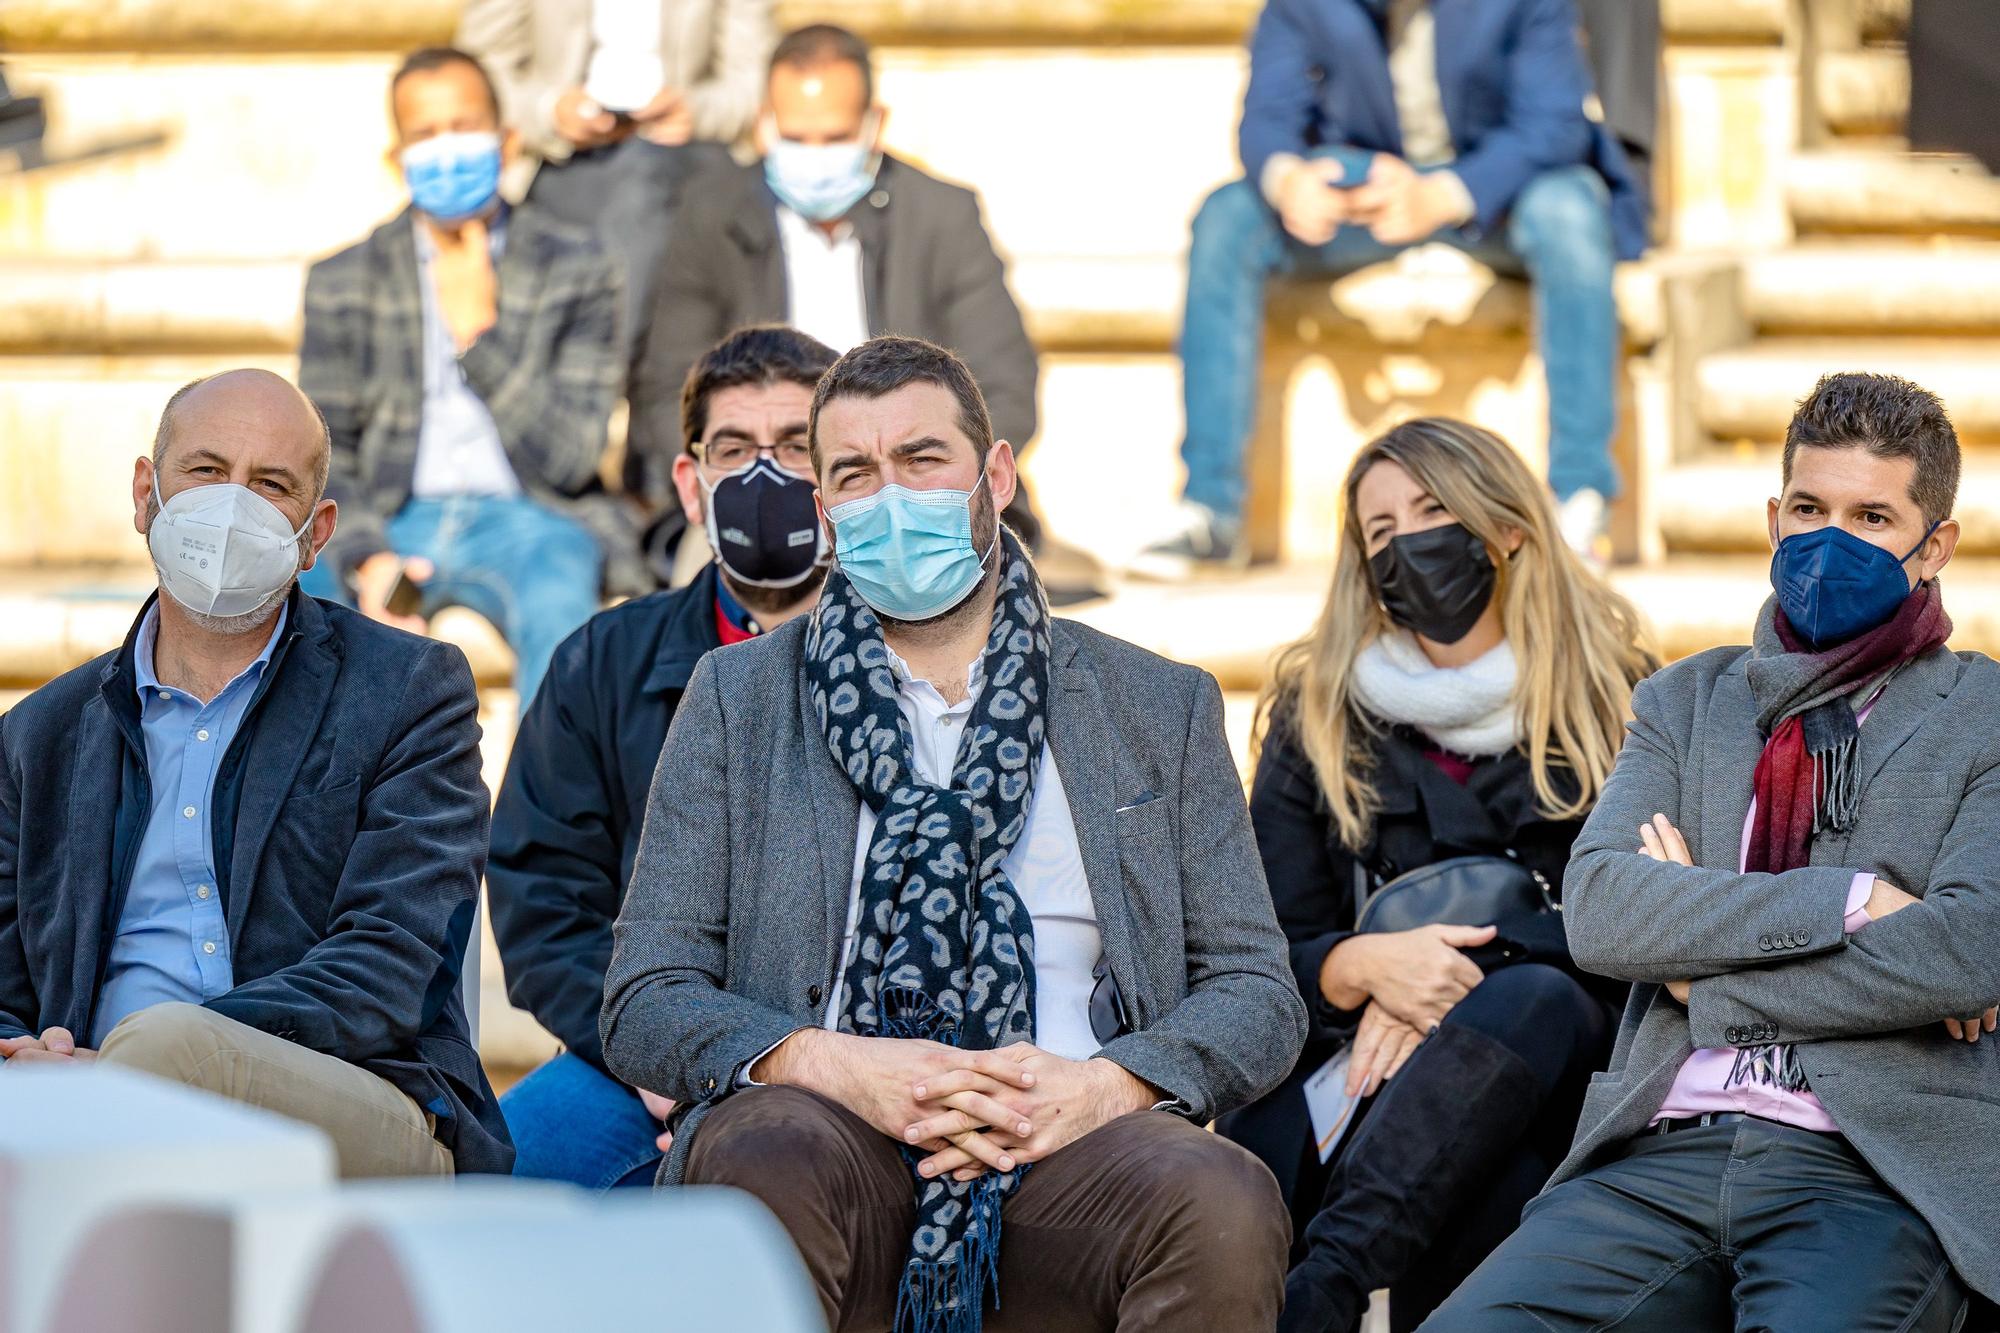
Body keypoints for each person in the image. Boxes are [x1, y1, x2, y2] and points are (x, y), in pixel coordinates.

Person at [600, 335, 1307, 1332]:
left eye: (921, 459)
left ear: (996, 474)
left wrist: (1107, 1085)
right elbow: (645, 996)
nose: (890, 496)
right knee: (761, 1152)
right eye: (853, 472)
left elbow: (1254, 991)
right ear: (824, 510)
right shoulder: (741, 696)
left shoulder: (1156, 704)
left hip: (1072, 1142)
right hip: (829, 1137)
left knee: (1218, 1195)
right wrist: (826, 1062)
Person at [1426, 372, 1999, 1329]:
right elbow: (1604, 909)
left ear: (1933, 544)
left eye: (1872, 517)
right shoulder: (1684, 702)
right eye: (1810, 508)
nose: (1830, 541)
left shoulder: (1983, 713)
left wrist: (1708, 979)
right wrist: (1852, 898)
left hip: (1875, 1167)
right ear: (1774, 517)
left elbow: (1968, 948)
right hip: (1659, 1149)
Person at [0, 369, 509, 1178]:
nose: (231, 504)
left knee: (173, 1046)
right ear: (145, 493)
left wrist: (140, 1072)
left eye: (271, 484)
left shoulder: (408, 691)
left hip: (351, 1093)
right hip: (82, 1084)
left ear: (316, 533)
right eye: (205, 470)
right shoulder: (40, 734)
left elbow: (391, 959)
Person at [1217, 418, 1654, 1331]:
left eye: (1432, 510)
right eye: (1380, 531)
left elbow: (1647, 915)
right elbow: (1256, 947)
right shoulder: (1317, 711)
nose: (1409, 542)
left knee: (1535, 1005)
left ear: (1507, 529)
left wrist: (1453, 988)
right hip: (1353, 1070)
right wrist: (1367, 970)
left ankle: (1322, 1290)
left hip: (1562, 1066)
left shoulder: (1624, 699)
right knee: (1490, 1152)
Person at [490, 325, 838, 1190]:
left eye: (798, 447)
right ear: (692, 483)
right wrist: (652, 1051)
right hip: (644, 1064)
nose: (767, 474)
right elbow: (544, 901)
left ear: (844, 477)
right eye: (735, 449)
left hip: (851, 1060)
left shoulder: (920, 660)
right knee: (497, 1170)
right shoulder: (601, 665)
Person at [1134, 0, 1650, 579]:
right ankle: (1210, 510)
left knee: (1571, 209)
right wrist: (1287, 180)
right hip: (1365, 195)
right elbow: (1265, 121)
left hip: (1491, 194)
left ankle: (1579, 502)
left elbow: (1555, 125)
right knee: (1226, 217)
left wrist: (1445, 194)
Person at [626, 25, 1063, 584]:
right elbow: (668, 389)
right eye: (795, 138)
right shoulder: (711, 215)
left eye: (833, 138)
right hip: (758, 492)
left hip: (918, 494)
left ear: (873, 125)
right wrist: (747, 478)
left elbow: (1003, 384)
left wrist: (909, 479)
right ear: (764, 125)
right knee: (707, 596)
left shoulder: (940, 216)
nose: (814, 157)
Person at [299, 46, 635, 714]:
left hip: (533, 519)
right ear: (397, 159)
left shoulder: (580, 267)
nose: (447, 149)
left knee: (565, 609)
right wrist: (368, 557)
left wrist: (480, 335)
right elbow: (322, 456)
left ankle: (544, 816)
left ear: (507, 141)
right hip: (395, 518)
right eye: (425, 134)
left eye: (465, 126)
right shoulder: (343, 281)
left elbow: (570, 457)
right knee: (307, 602)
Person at [455, 0, 770, 339]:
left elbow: (755, 78)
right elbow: (478, 73)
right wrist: (550, 111)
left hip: (690, 148)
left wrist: (696, 111)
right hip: (559, 156)